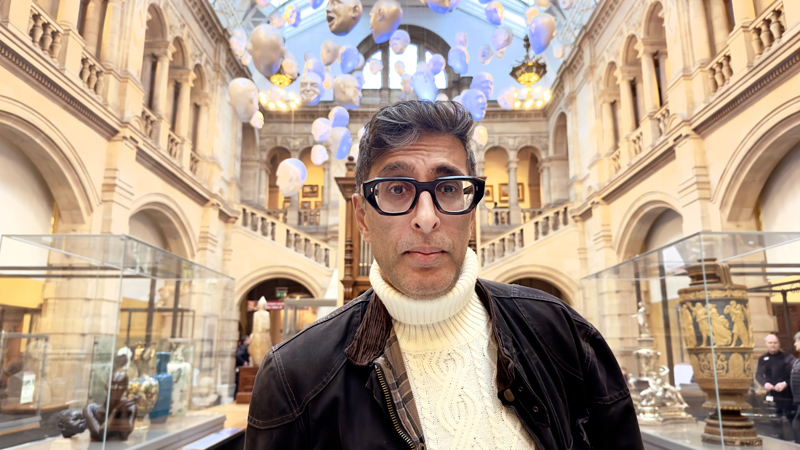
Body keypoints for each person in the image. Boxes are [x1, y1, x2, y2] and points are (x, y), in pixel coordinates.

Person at [245, 101, 643, 449]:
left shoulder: (562, 333)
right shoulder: (294, 377)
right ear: (362, 216)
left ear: (471, 210)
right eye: (397, 189)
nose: (426, 218)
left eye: (449, 187)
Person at [756, 334, 795, 419]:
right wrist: (765, 383)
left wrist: (785, 383)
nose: (773, 345)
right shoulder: (763, 358)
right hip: (772, 393)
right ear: (766, 344)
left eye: (775, 342)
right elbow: (758, 375)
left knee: (791, 419)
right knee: (774, 420)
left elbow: (793, 374)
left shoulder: (787, 357)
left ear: (778, 344)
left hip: (787, 394)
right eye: (770, 343)